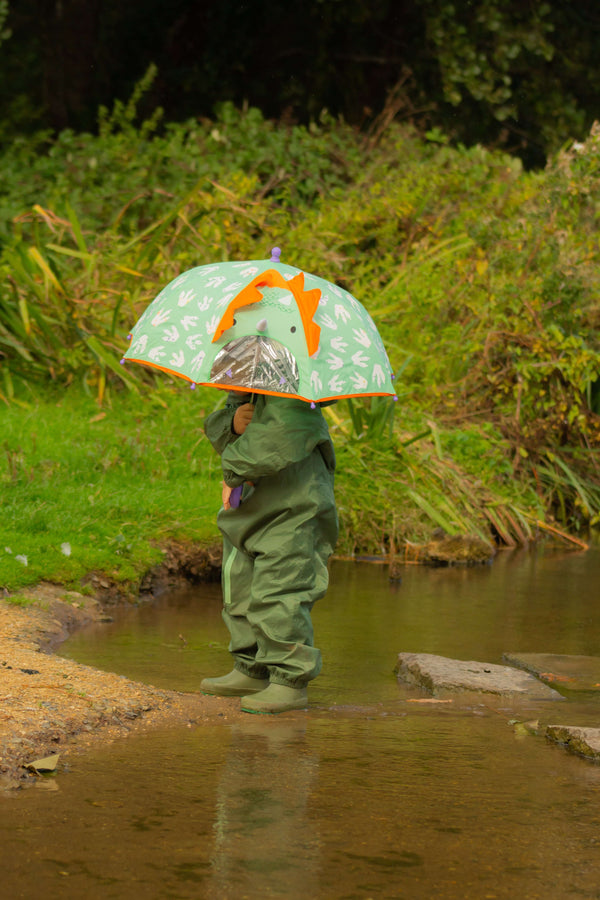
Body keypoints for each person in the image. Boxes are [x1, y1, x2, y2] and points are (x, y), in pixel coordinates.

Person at [201, 390, 338, 714]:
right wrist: (232, 423)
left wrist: (234, 470)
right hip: (250, 510)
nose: (229, 381)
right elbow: (231, 436)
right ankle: (251, 667)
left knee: (281, 589)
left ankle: (289, 680)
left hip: (294, 510)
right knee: (240, 586)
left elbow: (278, 435)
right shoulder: (251, 390)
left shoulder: (296, 396)